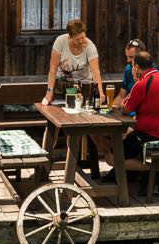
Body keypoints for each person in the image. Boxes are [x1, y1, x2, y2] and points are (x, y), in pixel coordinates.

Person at [47, 20, 111, 174]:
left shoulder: (90, 46)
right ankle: (44, 165)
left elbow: (96, 72)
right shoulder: (60, 42)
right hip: (62, 86)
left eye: (83, 37)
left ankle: (71, 167)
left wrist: (100, 92)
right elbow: (53, 68)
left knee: (75, 125)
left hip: (84, 88)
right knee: (52, 125)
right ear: (70, 37)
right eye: (78, 39)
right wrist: (49, 92)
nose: (82, 41)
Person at [119, 49, 159, 160]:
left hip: (154, 135)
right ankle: (146, 174)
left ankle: (148, 171)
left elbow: (125, 109)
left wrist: (135, 81)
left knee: (117, 154)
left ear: (136, 67)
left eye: (132, 66)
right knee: (129, 138)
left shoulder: (142, 84)